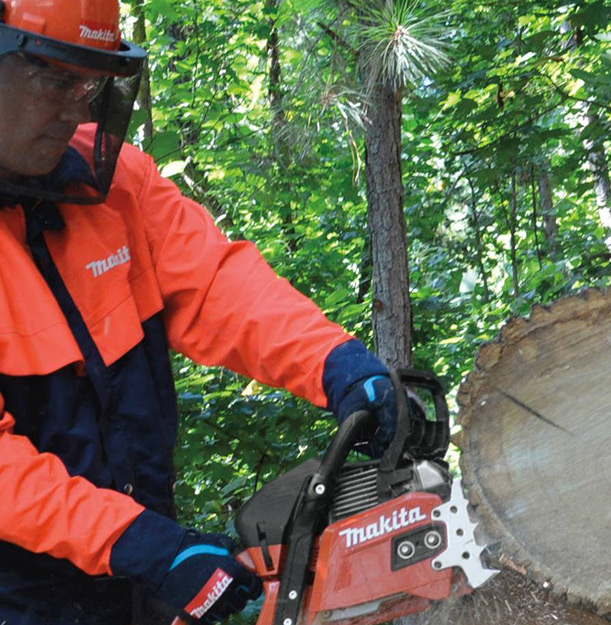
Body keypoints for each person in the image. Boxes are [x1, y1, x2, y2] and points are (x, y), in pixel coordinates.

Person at [0, 0, 401, 623]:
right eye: (56, 79)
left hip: (133, 567)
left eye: (89, 82)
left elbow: (216, 287)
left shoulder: (113, 186)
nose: (78, 108)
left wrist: (338, 364)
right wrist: (138, 543)